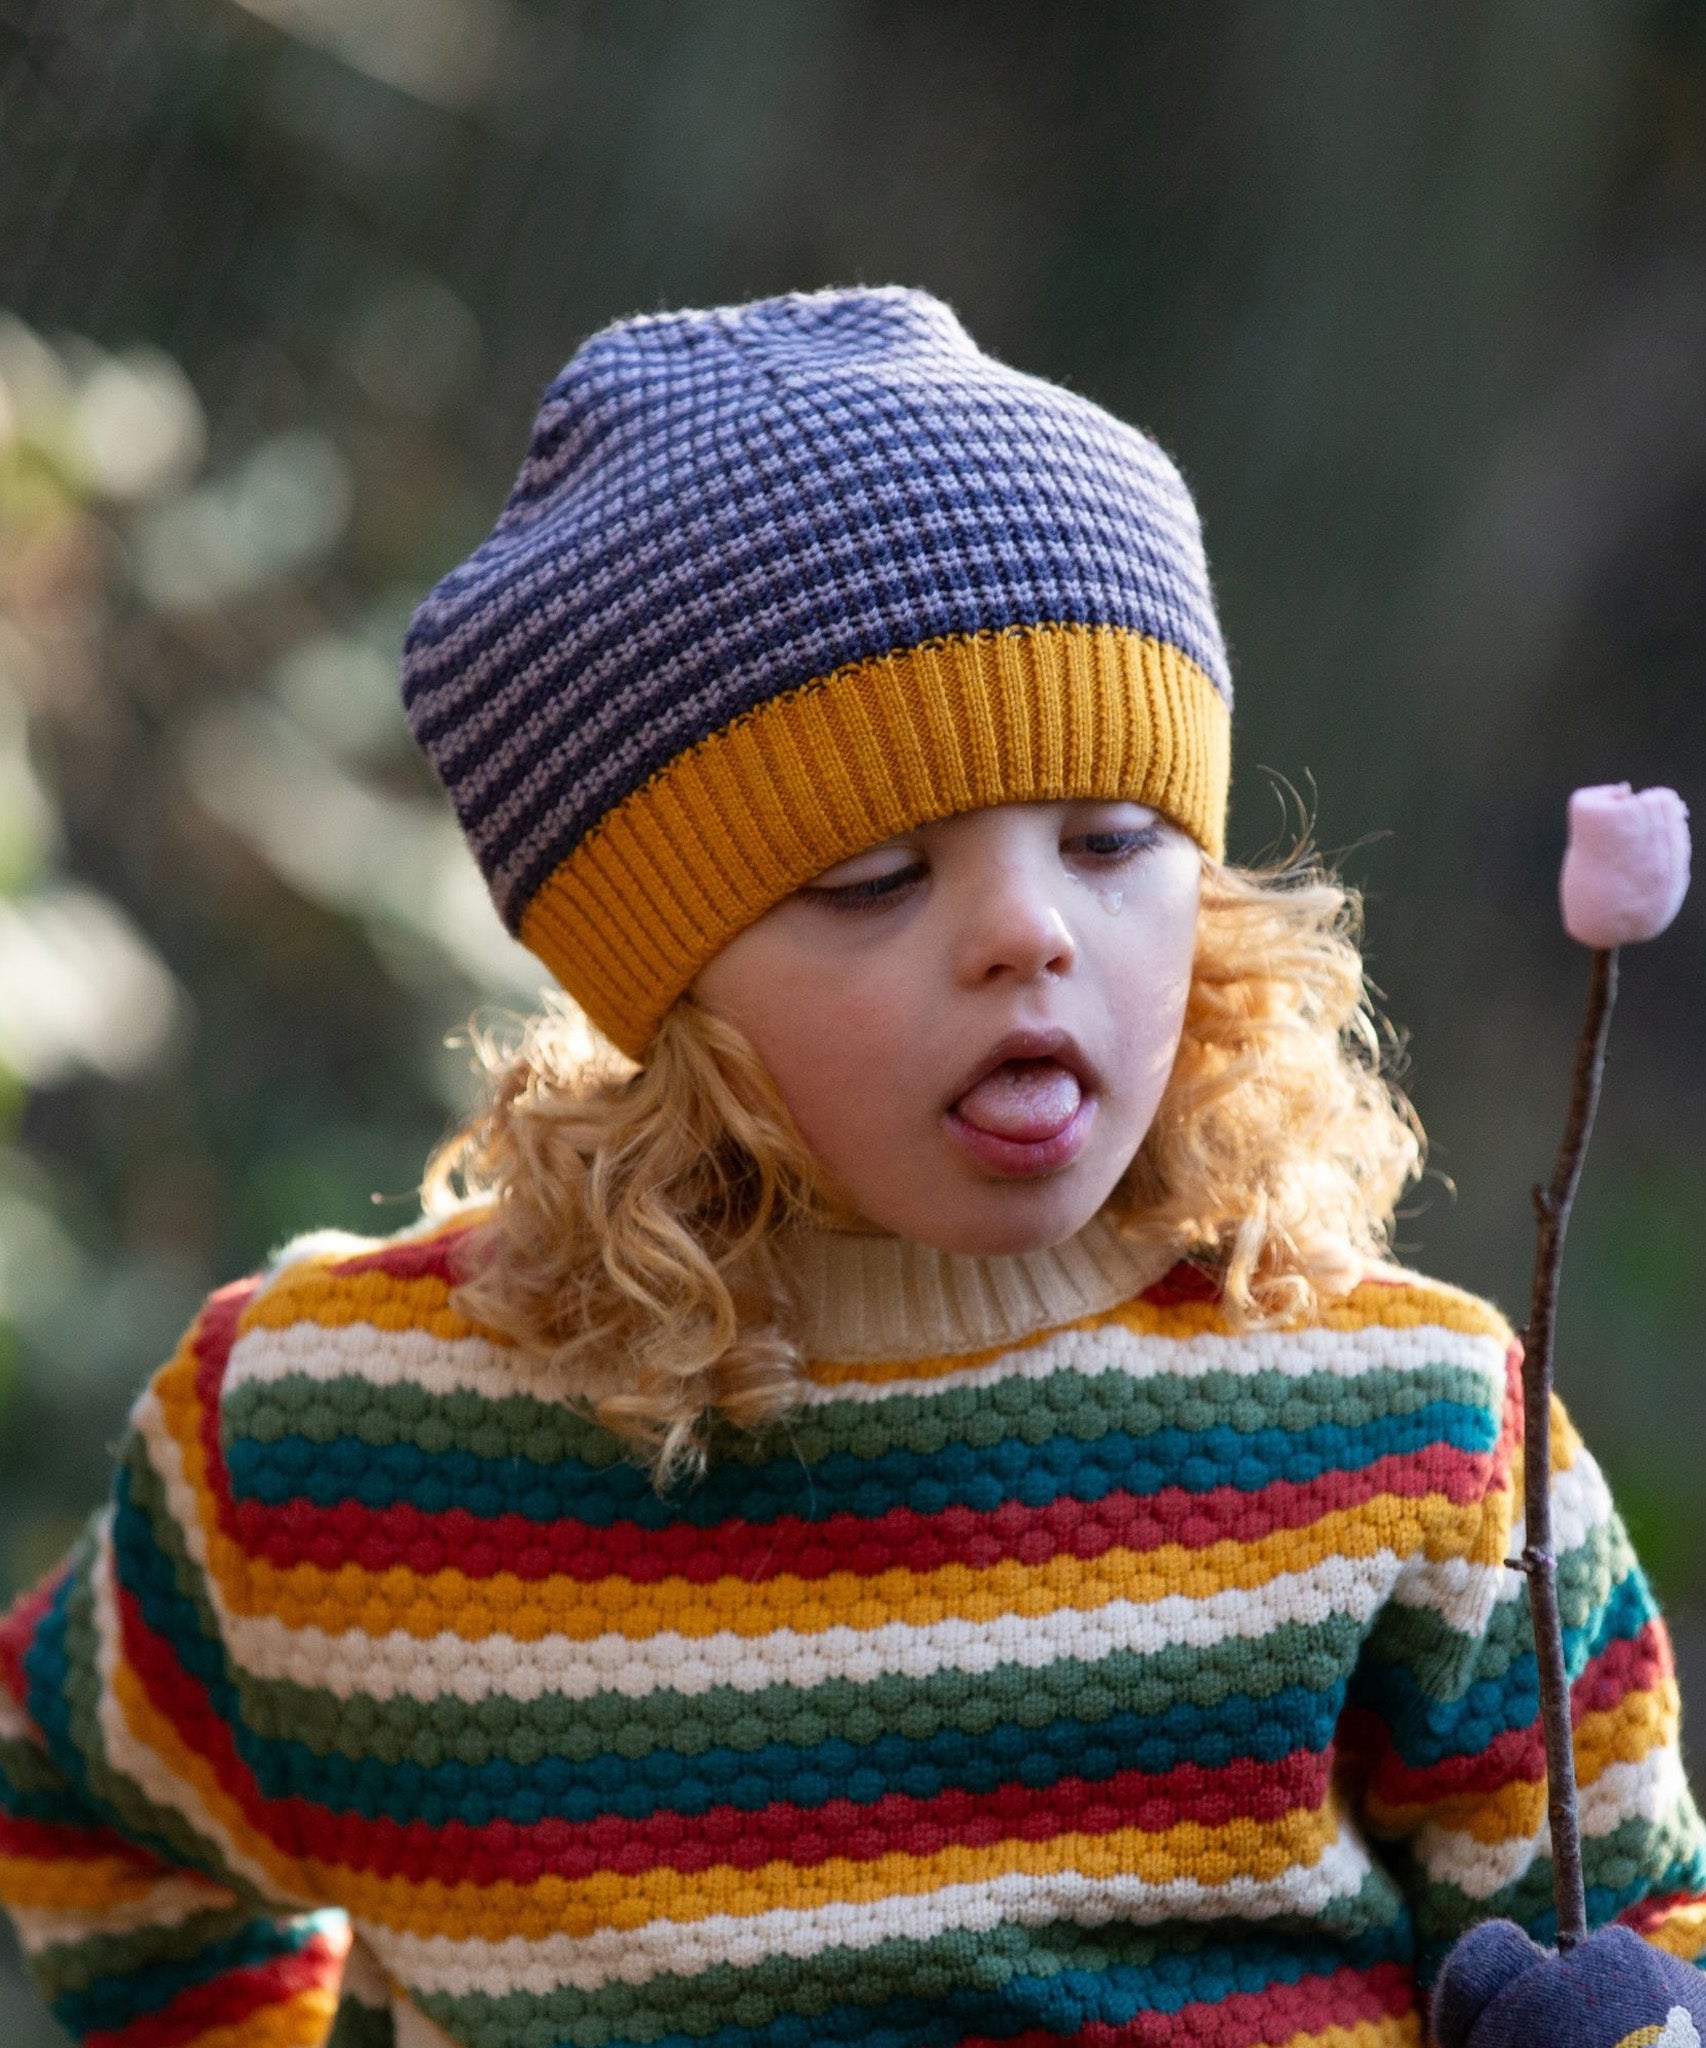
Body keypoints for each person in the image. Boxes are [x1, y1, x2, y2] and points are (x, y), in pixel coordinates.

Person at [1, 287, 1701, 2048]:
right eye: (877, 876)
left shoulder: (1410, 1429)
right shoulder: (335, 1457)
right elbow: (78, 1802)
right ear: (657, 977)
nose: (1027, 935)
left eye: (1114, 839)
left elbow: (1633, 1923)